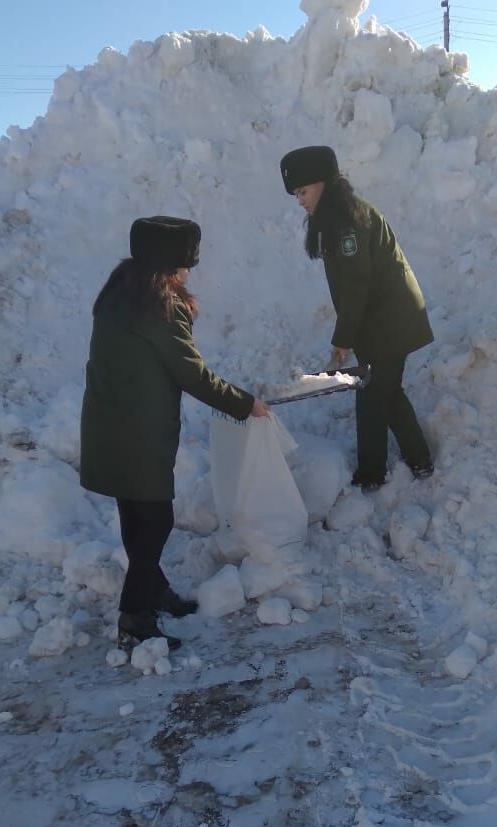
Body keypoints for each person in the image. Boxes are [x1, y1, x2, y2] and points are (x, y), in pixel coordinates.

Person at [80, 215, 270, 651]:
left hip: (108, 421)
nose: (188, 273)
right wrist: (246, 404)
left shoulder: (119, 291)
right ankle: (134, 615)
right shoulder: (158, 306)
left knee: (136, 512)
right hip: (137, 430)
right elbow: (193, 375)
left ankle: (153, 589)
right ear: (167, 265)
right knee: (156, 518)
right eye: (184, 265)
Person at [280, 145, 435, 490]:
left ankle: (371, 475)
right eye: (296, 195)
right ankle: (420, 460)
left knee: (371, 397)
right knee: (387, 392)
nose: (300, 200)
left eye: (303, 191)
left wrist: (342, 341)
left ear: (322, 183)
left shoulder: (348, 222)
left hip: (390, 321)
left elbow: (357, 285)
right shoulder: (340, 217)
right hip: (385, 320)